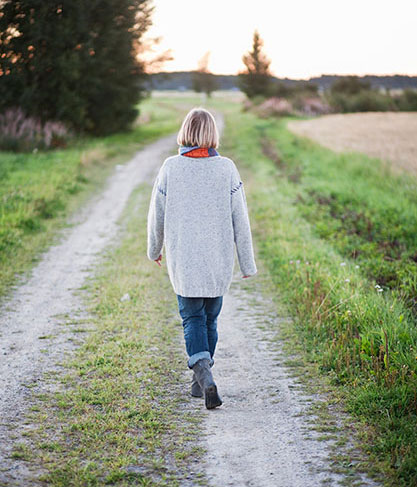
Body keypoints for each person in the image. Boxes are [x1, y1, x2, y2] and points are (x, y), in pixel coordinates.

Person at [147, 107, 257, 410]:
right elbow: (241, 220)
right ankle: (201, 380)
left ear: (185, 133)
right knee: (210, 319)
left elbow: (156, 215)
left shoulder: (170, 167)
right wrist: (246, 263)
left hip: (184, 261)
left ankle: (203, 374)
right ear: (212, 136)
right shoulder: (227, 169)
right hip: (218, 262)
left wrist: (154, 249)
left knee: (192, 318)